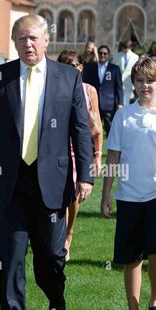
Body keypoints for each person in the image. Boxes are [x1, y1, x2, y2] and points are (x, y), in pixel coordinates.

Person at [0, 15, 94, 310]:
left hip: (53, 181)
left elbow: (81, 130)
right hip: (10, 182)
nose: (28, 44)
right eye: (21, 39)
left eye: (33, 38)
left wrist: (87, 176)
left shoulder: (68, 78)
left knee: (50, 257)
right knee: (12, 255)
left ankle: (55, 298)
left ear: (47, 40)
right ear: (14, 42)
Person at [101, 57, 156, 310]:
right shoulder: (123, 115)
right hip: (128, 196)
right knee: (132, 257)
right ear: (133, 83)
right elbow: (113, 155)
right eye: (140, 80)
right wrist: (106, 193)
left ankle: (155, 302)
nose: (145, 85)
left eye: (150, 80)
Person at [57, 49, 103, 261]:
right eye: (64, 65)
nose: (69, 69)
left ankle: (69, 233)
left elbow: (97, 127)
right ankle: (57, 237)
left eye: (73, 65)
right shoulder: (53, 88)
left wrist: (97, 155)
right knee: (59, 194)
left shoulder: (89, 90)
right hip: (57, 147)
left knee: (74, 196)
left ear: (81, 68)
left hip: (79, 149)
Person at [83, 45, 123, 136]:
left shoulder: (114, 69)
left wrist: (120, 103)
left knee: (110, 129)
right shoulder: (90, 67)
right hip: (93, 103)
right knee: (93, 128)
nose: (102, 55)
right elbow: (85, 83)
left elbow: (119, 87)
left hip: (109, 104)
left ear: (108, 55)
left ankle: (112, 148)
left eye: (105, 53)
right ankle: (95, 149)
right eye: (100, 53)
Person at [111, 40, 139, 106]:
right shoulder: (117, 56)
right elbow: (112, 68)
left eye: (127, 48)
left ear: (130, 47)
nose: (125, 50)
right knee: (118, 102)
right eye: (124, 48)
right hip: (117, 82)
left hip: (128, 83)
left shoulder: (135, 57)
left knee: (127, 102)